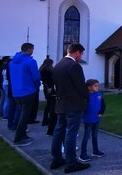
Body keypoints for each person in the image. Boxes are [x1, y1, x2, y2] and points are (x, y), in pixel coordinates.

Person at [51, 43, 90, 173]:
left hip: (61, 103)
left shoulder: (58, 65)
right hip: (73, 104)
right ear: (77, 52)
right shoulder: (74, 66)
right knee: (71, 133)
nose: (81, 56)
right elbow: (81, 86)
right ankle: (71, 162)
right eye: (81, 54)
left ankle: (56, 158)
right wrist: (87, 97)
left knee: (59, 131)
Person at [9, 43, 41, 147]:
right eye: (32, 49)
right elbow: (36, 77)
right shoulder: (30, 61)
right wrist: (36, 87)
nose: (33, 51)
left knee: (20, 112)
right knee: (25, 115)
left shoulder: (12, 62)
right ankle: (19, 137)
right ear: (29, 49)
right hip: (28, 91)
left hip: (16, 92)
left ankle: (18, 131)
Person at [79, 79, 106, 162]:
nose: (97, 87)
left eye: (98, 85)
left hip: (97, 119)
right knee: (86, 137)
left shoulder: (99, 95)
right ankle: (83, 154)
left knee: (95, 136)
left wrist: (101, 112)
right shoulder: (85, 97)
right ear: (89, 87)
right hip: (88, 120)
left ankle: (95, 151)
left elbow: (103, 105)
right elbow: (82, 108)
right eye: (95, 86)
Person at [40, 56, 57, 135]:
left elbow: (42, 80)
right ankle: (49, 121)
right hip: (50, 88)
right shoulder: (49, 70)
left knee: (48, 104)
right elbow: (53, 79)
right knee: (51, 106)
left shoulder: (41, 69)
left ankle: (45, 120)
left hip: (46, 88)